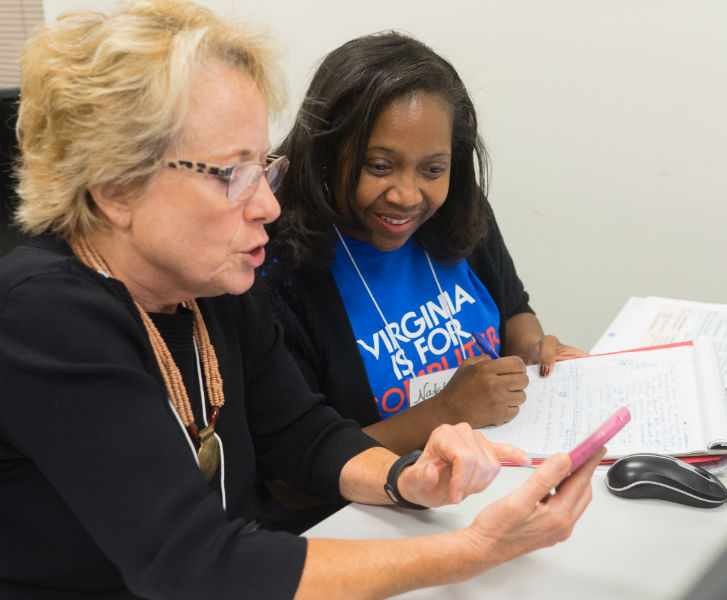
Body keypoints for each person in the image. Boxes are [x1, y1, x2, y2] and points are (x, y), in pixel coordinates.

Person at [0, 2, 602, 598]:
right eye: (232, 174)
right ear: (117, 189)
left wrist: (406, 478)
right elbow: (194, 563)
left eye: (264, 168)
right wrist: (469, 551)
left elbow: (305, 435)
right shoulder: (44, 314)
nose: (267, 205)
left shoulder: (210, 286)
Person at [260, 32, 587, 458]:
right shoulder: (276, 273)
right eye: (379, 166)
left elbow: (514, 308)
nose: (407, 196)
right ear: (325, 152)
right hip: (372, 515)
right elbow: (294, 477)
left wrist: (533, 350)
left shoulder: (458, 213)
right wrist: (444, 412)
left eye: (433, 169)